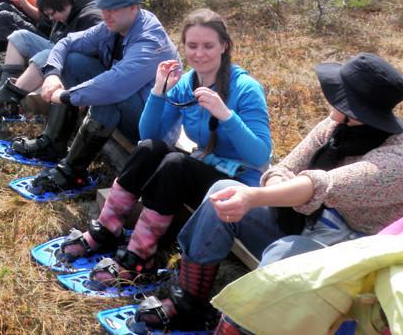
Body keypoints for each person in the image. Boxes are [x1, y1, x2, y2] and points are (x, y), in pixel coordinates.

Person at [130, 52, 403, 334]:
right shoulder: (336, 128)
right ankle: (189, 299)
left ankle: (233, 326)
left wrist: (257, 197)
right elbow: (283, 168)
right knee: (223, 191)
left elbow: (321, 184)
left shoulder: (396, 159)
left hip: (346, 253)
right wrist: (276, 191)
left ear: (356, 111)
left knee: (284, 256)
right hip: (302, 220)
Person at [58, 9, 272, 286]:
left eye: (208, 46)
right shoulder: (188, 82)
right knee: (150, 149)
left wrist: (226, 115)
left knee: (176, 165)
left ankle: (139, 256)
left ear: (224, 46)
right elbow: (149, 135)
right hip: (205, 168)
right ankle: (107, 229)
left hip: (238, 185)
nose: (199, 54)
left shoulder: (245, 88)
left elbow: (259, 154)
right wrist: (159, 92)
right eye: (192, 46)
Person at [22, 0, 179, 194]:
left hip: (154, 128)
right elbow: (66, 42)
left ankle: (72, 172)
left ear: (134, 7)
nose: (106, 14)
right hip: (129, 103)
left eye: (113, 9)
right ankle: (53, 145)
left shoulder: (150, 42)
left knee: (106, 97)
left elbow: (113, 86)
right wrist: (52, 74)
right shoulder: (112, 26)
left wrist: (66, 96)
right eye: (103, 8)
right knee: (72, 60)